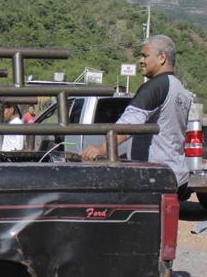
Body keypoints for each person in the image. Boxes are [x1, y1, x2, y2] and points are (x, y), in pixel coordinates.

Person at [82, 35, 193, 192]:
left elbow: (128, 125)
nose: (141, 61)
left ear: (162, 58)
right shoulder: (181, 90)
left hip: (154, 177)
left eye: (145, 56)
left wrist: (100, 151)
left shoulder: (156, 86)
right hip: (176, 174)